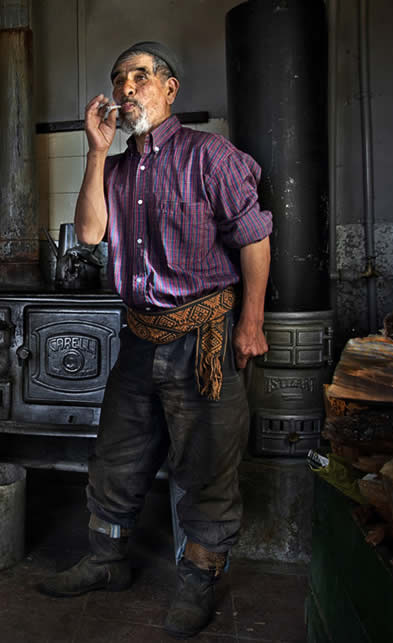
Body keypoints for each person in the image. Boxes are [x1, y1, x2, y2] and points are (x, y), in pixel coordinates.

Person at [37, 42, 272, 639]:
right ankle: (105, 561)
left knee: (207, 467)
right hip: (140, 337)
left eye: (141, 76)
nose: (127, 88)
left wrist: (251, 323)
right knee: (116, 457)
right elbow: (89, 233)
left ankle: (197, 583)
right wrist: (95, 152)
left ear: (170, 90)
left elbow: (254, 239)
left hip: (204, 336)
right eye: (119, 79)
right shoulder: (114, 170)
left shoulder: (209, 156)